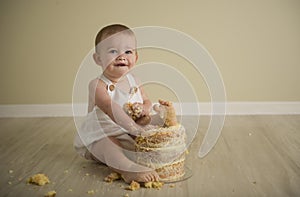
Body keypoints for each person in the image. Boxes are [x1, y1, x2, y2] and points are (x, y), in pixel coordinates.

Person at [74, 24, 162, 183]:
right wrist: (133, 128)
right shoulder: (97, 85)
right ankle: (127, 169)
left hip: (131, 133)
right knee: (109, 145)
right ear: (98, 59)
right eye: (113, 51)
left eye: (128, 51)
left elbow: (147, 101)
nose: (121, 56)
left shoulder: (134, 80)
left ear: (135, 57)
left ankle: (156, 144)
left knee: (160, 121)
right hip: (104, 134)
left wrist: (145, 109)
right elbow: (110, 108)